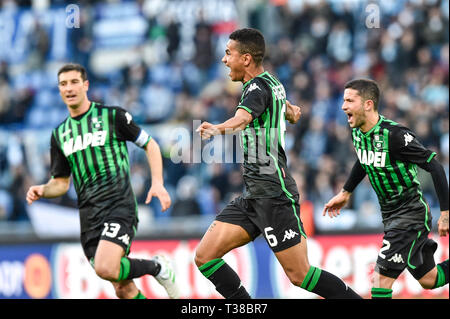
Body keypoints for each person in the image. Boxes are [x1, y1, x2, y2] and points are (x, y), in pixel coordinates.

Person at [195, 28, 361, 299]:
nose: (224, 60)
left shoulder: (256, 89)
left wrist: (217, 128)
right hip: (253, 196)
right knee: (205, 257)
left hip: (274, 194)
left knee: (301, 275)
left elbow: (242, 119)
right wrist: (291, 111)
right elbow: (285, 106)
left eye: (228, 53)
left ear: (246, 59)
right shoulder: (272, 83)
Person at [26, 63, 180, 299]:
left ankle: (158, 268)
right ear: (58, 90)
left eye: (74, 82)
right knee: (123, 288)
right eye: (63, 84)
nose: (69, 88)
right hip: (89, 217)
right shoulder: (59, 135)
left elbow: (150, 144)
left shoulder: (113, 116)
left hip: (119, 206)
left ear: (85, 85)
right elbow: (61, 183)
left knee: (105, 267)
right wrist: (43, 190)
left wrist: (157, 182)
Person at [323, 79, 449, 299]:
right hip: (391, 216)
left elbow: (435, 166)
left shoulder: (395, 135)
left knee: (380, 281)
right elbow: (363, 160)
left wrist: (446, 213)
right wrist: (346, 192)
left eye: (350, 100)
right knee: (429, 278)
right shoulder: (357, 132)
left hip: (409, 214)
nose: (343, 106)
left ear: (368, 104)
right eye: (344, 100)